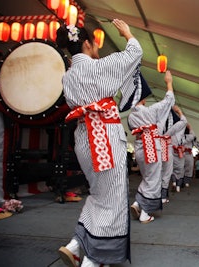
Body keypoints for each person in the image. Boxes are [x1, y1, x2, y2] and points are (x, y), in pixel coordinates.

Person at [56, 19, 143, 267]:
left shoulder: (68, 76)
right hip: (104, 135)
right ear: (86, 43)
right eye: (94, 43)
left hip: (83, 137)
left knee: (98, 193)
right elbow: (135, 52)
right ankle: (94, 260)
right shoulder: (100, 66)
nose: (97, 48)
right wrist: (127, 33)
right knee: (114, 196)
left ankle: (75, 245)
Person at [128, 70, 175, 223]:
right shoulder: (149, 112)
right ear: (141, 99)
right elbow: (168, 100)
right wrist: (169, 83)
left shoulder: (130, 116)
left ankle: (137, 203)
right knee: (154, 180)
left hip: (140, 148)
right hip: (152, 148)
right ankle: (145, 213)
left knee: (148, 177)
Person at [160, 106, 187, 203]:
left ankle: (157, 195)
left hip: (155, 148)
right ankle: (163, 196)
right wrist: (179, 111)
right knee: (169, 172)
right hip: (168, 150)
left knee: (156, 173)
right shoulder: (173, 130)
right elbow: (184, 121)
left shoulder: (157, 123)